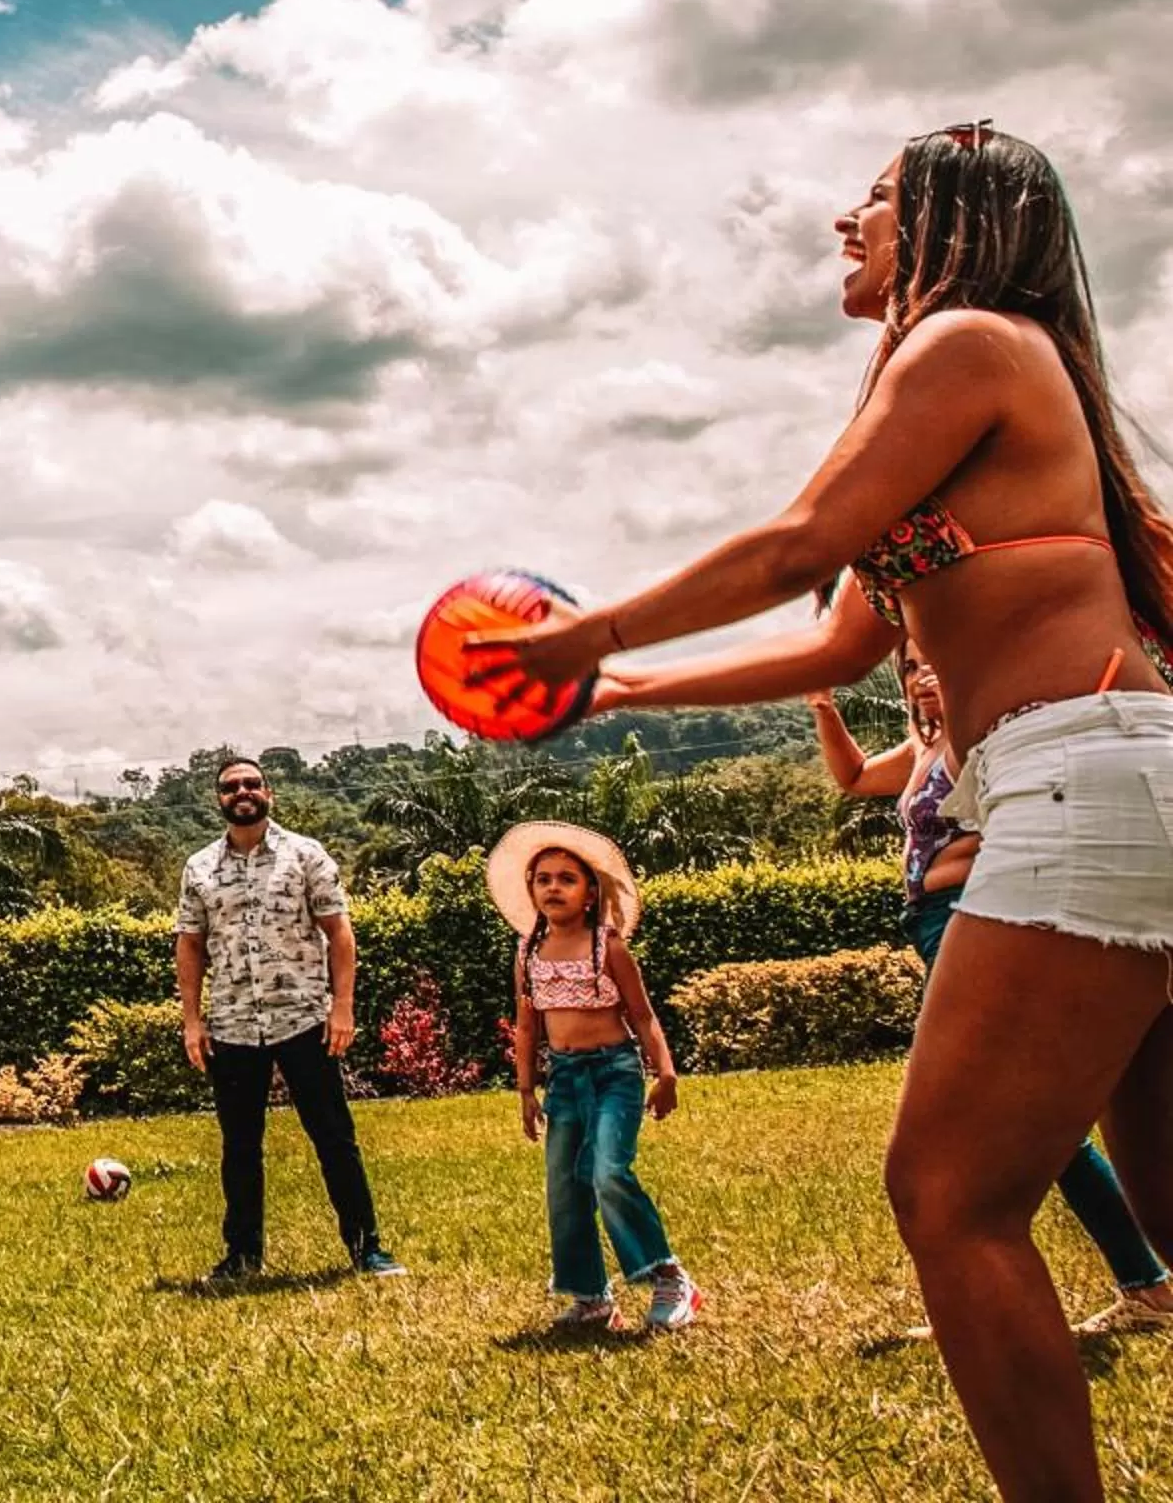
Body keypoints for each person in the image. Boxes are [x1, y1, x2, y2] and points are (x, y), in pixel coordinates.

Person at [470, 123, 1173, 1502]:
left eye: (876, 199)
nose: (843, 221)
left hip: (1081, 776)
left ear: (953, 222)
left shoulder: (967, 338)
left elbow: (796, 544)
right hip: (1117, 776)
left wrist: (580, 630)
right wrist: (620, 688)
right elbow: (846, 641)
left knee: (950, 1201)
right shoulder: (977, 375)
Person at [807, 648, 1173, 1339]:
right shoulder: (927, 747)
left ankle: (1130, 1281)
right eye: (911, 666)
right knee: (1037, 1121)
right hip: (934, 921)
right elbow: (853, 777)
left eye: (933, 659)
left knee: (1021, 1117)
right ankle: (1143, 1282)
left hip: (976, 912)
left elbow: (1024, 822)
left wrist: (943, 868)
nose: (923, 674)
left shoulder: (986, 737)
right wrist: (824, 706)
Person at [175, 757, 405, 1281]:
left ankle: (367, 1249)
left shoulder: (305, 855)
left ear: (269, 793)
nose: (242, 792)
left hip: (304, 1018)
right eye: (231, 787)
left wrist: (341, 1007)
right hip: (231, 1024)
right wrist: (192, 1020)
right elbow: (190, 945)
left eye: (252, 784)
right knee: (239, 1148)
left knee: (334, 1137)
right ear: (219, 800)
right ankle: (241, 1256)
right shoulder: (199, 867)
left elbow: (339, 934)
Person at [493, 823, 699, 1333]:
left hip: (614, 1072)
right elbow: (526, 1023)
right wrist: (525, 1088)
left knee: (609, 1171)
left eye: (567, 878)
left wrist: (665, 1072)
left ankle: (670, 1277)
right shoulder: (527, 952)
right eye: (543, 879)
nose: (553, 887)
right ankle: (591, 1297)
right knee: (565, 1185)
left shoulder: (607, 947)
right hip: (564, 1079)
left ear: (591, 893)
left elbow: (644, 1015)